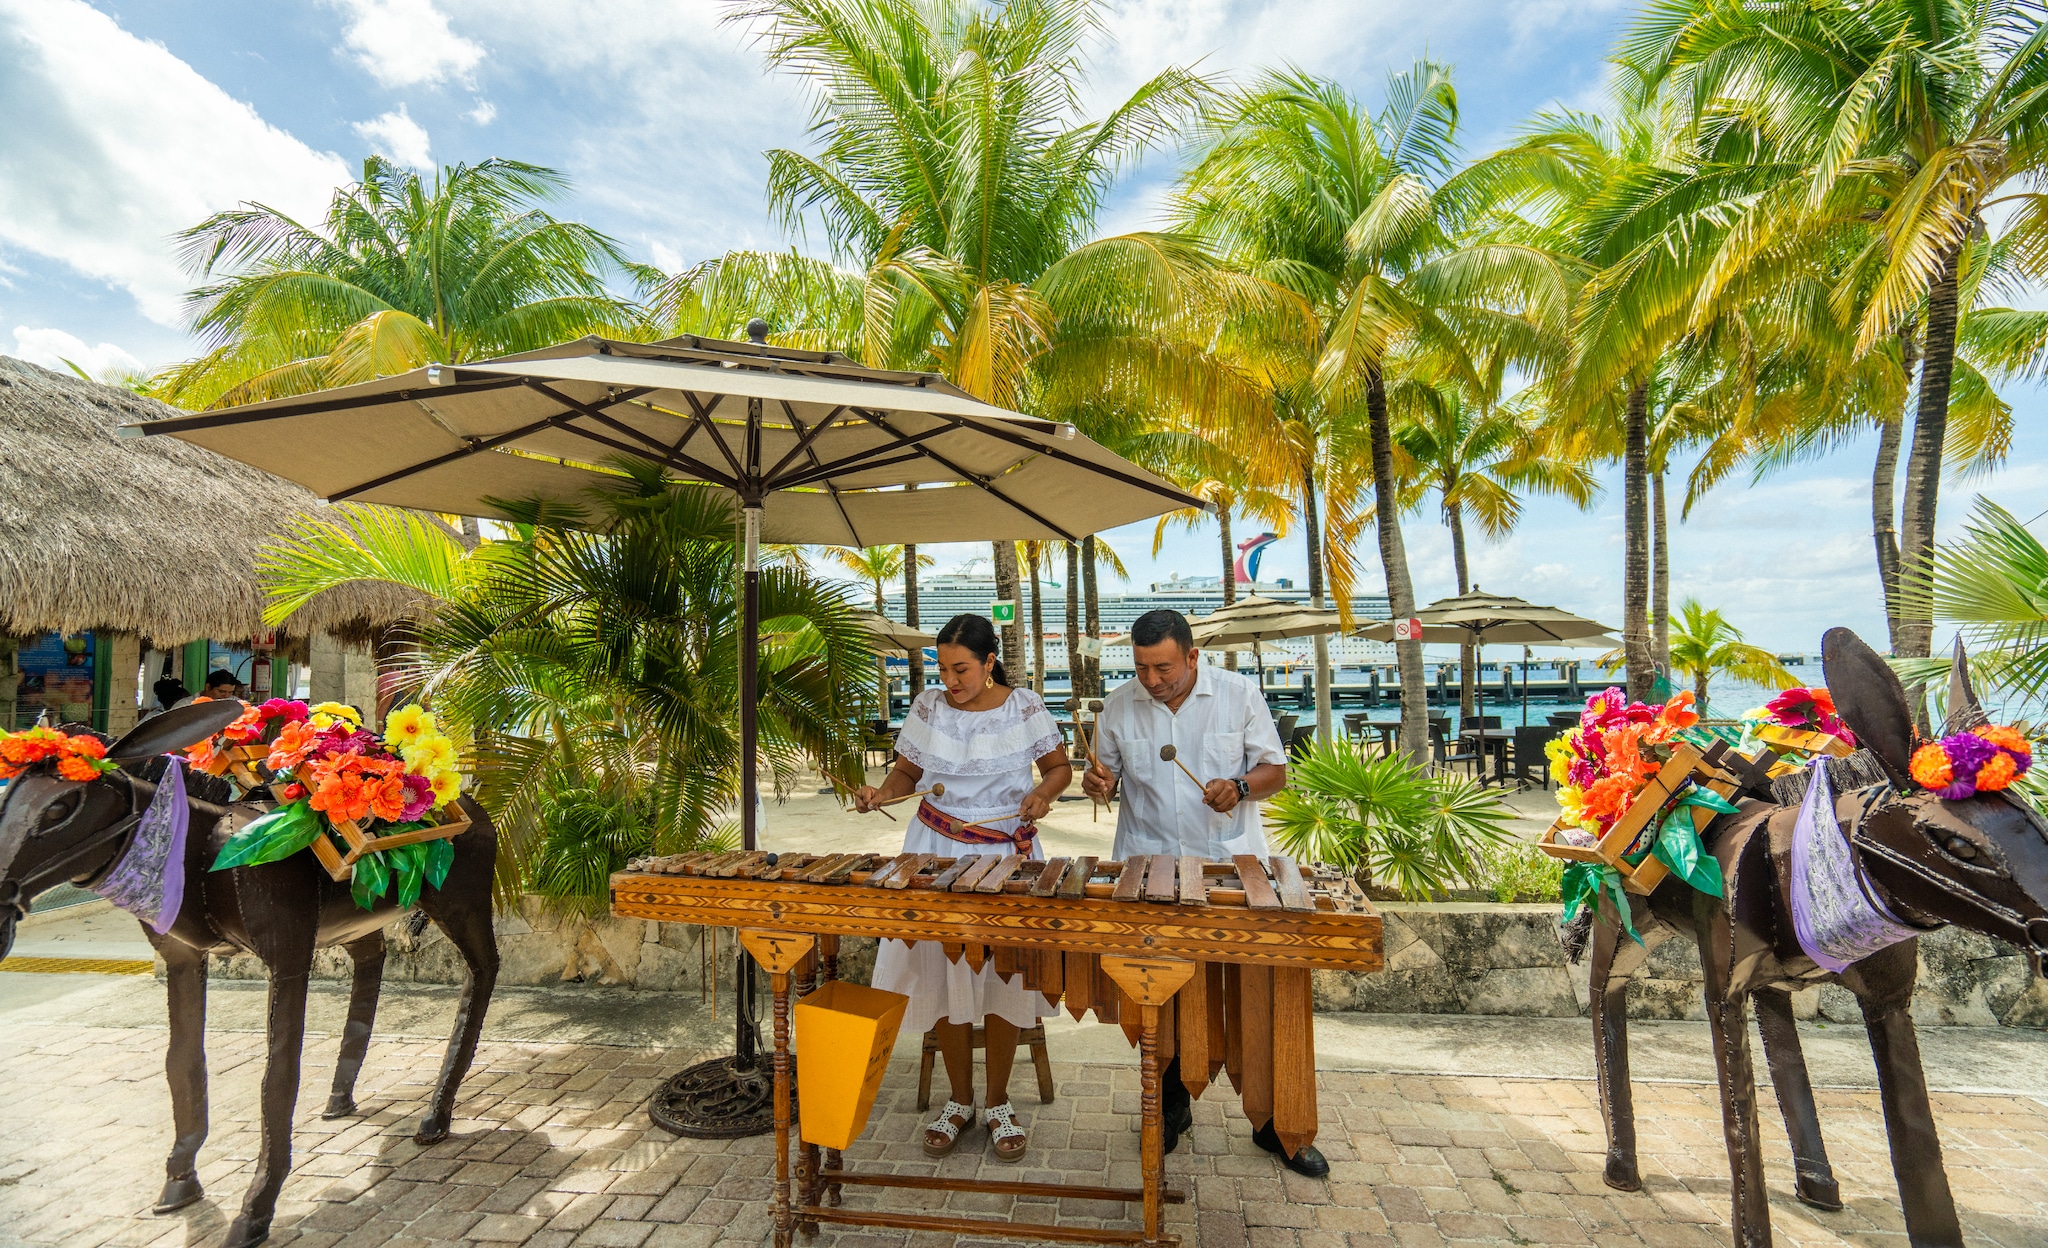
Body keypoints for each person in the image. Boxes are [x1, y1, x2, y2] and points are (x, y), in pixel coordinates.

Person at [1080, 608, 1326, 1176]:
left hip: (1230, 867)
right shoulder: (1119, 706)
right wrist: (1099, 783)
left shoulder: (1239, 695)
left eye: (1163, 667)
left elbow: (1275, 771)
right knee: (1156, 995)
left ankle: (1274, 1122)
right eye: (1142, 668)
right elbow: (1104, 779)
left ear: (1192, 656)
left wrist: (1240, 786)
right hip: (1149, 867)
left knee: (1255, 996)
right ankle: (1169, 1109)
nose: (1152, 680)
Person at [854, 613, 1071, 1164]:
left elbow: (1058, 768)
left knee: (1003, 974)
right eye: (944, 669)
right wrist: (882, 792)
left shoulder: (1024, 706)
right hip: (935, 847)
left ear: (989, 661)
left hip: (1003, 851)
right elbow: (908, 774)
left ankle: (998, 1102)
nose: (951, 681)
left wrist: (1042, 796)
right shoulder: (927, 706)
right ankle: (959, 1100)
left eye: (962, 669)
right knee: (941, 967)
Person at [173, 670, 242, 709]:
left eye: (230, 692)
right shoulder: (185, 705)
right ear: (208, 687)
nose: (227, 696)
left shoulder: (237, 704)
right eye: (221, 691)